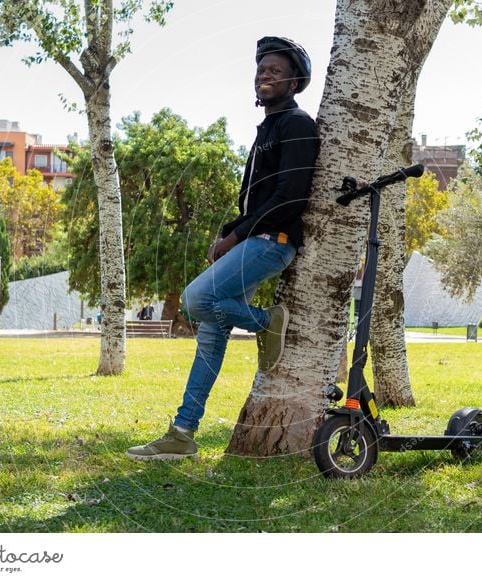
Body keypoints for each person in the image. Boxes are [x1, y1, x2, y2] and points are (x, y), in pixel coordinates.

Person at [126, 36, 319, 461]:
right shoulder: (268, 127)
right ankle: (182, 433)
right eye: (261, 69)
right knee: (210, 338)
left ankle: (266, 322)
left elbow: (290, 194)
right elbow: (255, 198)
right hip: (252, 239)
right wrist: (227, 236)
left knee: (197, 299)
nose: (265, 74)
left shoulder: (297, 124)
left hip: (273, 242)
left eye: (276, 70)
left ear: (294, 82)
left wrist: (237, 236)